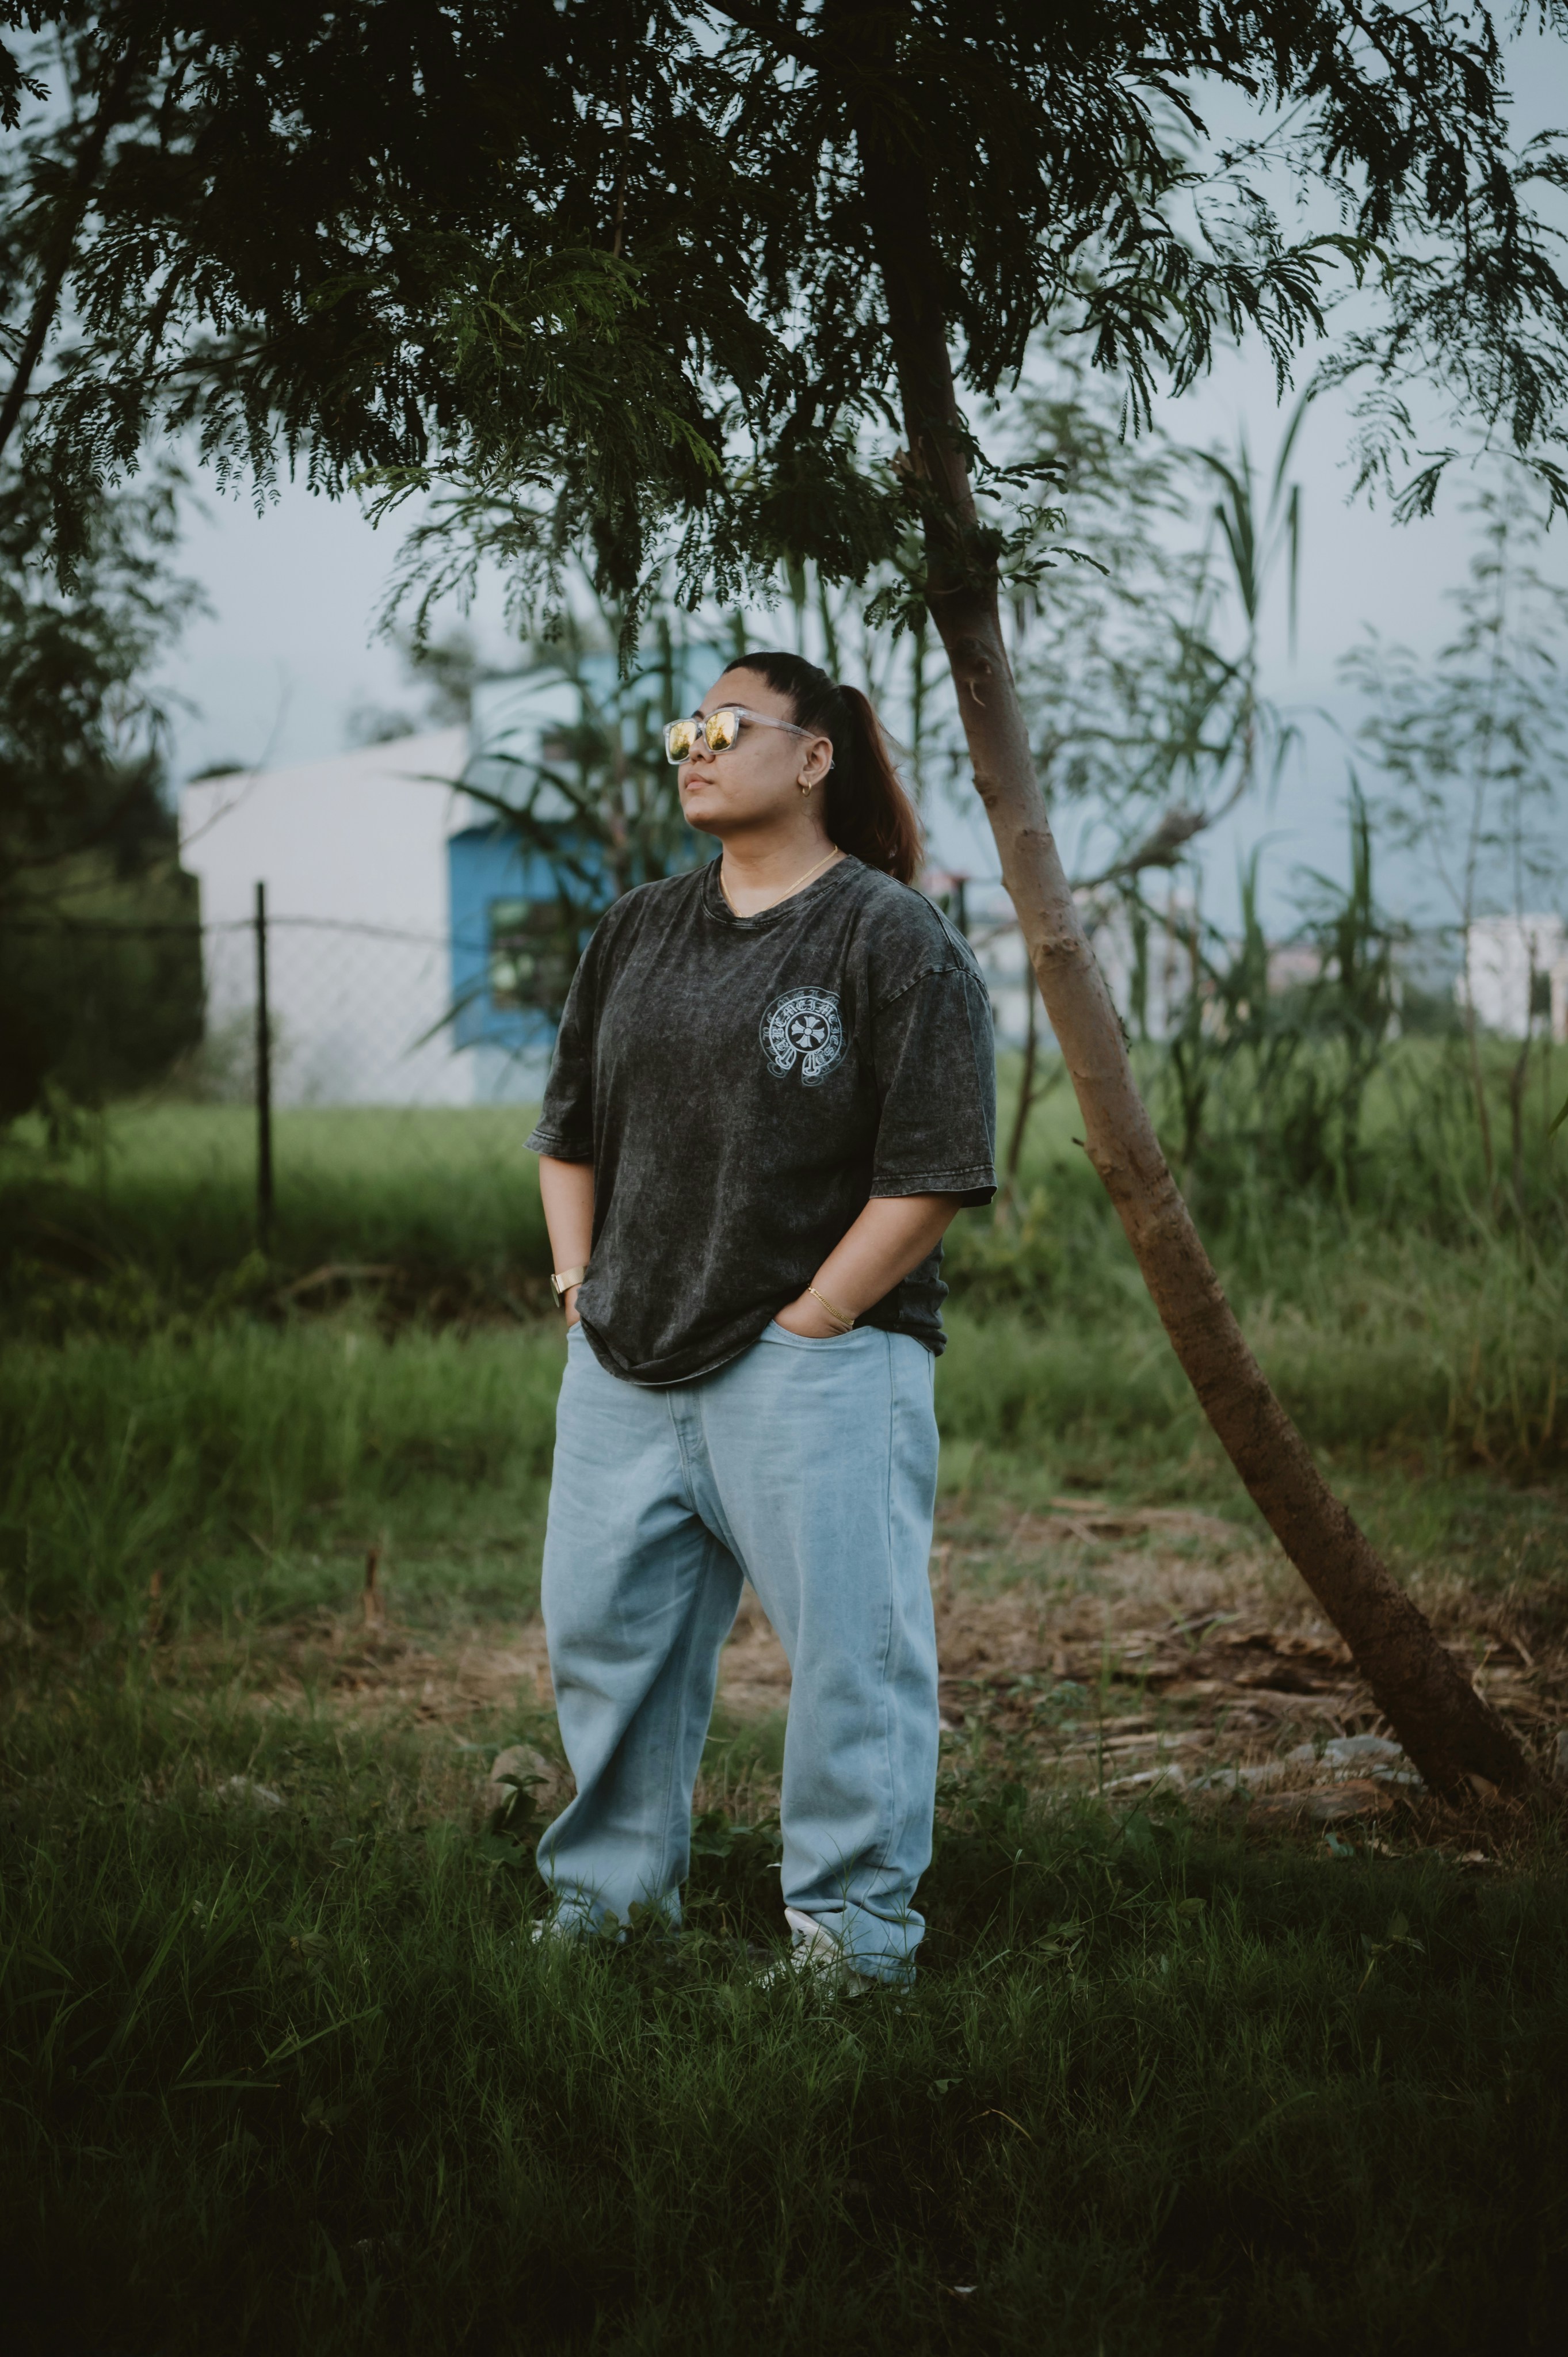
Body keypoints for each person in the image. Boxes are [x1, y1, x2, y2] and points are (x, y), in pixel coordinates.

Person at [526, 650, 997, 1986]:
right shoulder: (636, 927)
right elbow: (568, 1132)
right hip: (623, 1357)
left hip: (816, 1370)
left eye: (729, 724)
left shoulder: (885, 933)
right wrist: (578, 1287)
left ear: (814, 757)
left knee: (855, 1662)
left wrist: (816, 1318)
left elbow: (936, 1164)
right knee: (605, 1650)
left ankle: (850, 1949)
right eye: (687, 722)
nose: (697, 742)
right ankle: (605, 1915)